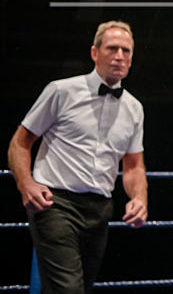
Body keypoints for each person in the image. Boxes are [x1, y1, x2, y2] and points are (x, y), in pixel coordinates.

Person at [7, 20, 148, 294]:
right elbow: (19, 143)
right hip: (56, 205)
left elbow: (133, 167)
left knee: (79, 287)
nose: (119, 55)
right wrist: (26, 185)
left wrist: (139, 198)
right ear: (95, 53)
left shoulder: (134, 108)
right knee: (68, 289)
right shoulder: (61, 91)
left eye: (126, 50)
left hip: (100, 210)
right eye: (112, 48)